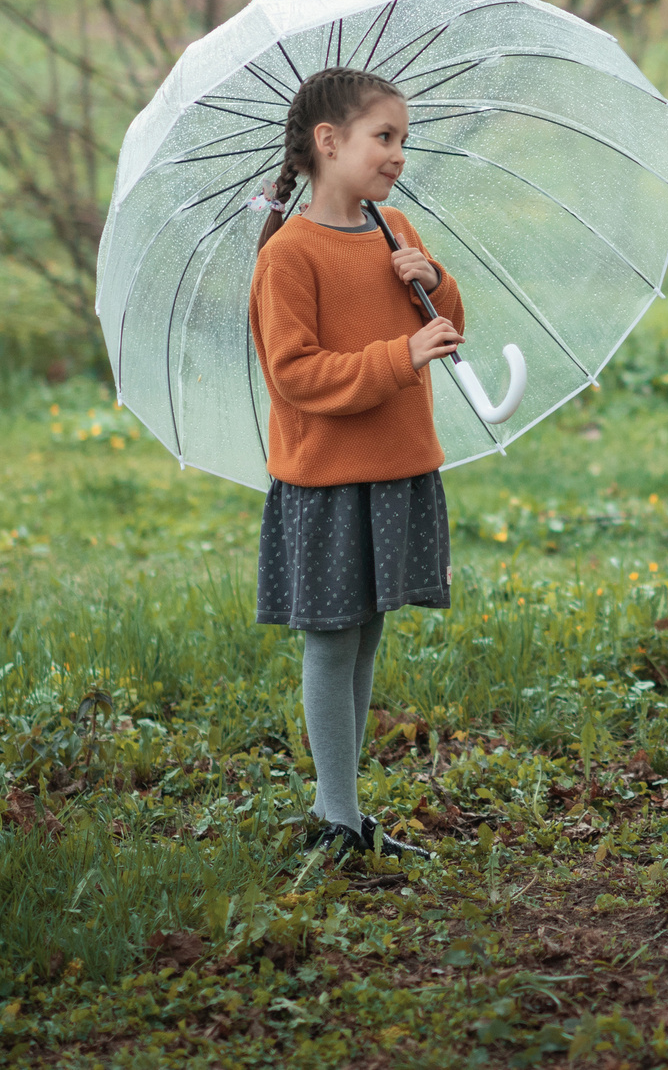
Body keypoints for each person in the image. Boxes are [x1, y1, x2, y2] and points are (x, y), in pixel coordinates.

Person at [249, 65, 466, 861]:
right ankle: (336, 815)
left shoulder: (394, 229)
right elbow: (296, 374)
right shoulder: (289, 256)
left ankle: (341, 807)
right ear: (328, 142)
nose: (398, 153)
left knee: (368, 632)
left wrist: (434, 283)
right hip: (329, 480)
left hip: (397, 467)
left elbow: (443, 329)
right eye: (384, 137)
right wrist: (398, 354)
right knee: (331, 638)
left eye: (404, 139)